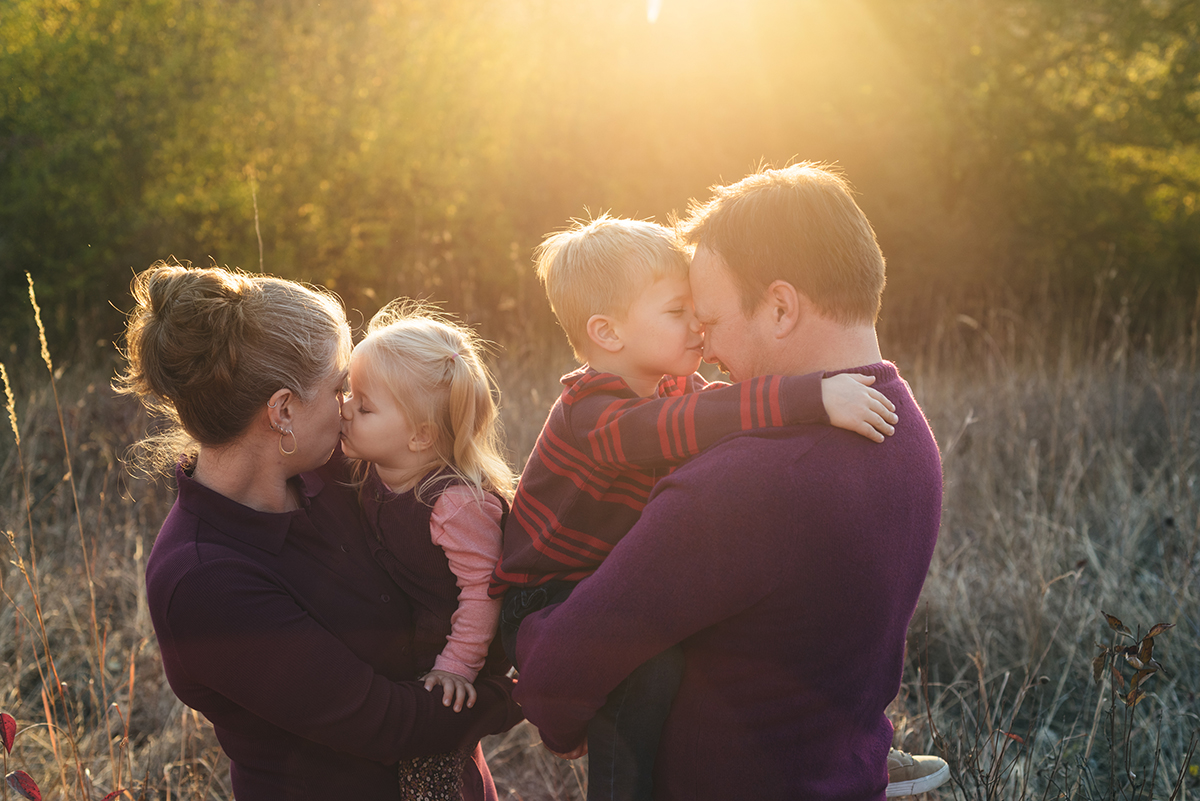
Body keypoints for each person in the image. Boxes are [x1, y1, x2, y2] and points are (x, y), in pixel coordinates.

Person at [512, 165, 947, 800]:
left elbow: (555, 675)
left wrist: (529, 639)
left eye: (710, 322)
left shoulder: (748, 484)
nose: (704, 349)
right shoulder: (905, 428)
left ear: (779, 307)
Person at [117, 262, 522, 801]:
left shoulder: (339, 472)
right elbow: (387, 723)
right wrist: (528, 693)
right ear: (282, 410)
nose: (348, 408)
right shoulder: (202, 580)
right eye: (338, 389)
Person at [338, 301, 514, 798]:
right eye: (348, 392)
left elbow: (485, 591)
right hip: (407, 652)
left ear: (420, 436)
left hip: (449, 662)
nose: (345, 407)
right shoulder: (375, 463)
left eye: (364, 405)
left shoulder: (454, 504)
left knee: (432, 777)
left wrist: (456, 665)